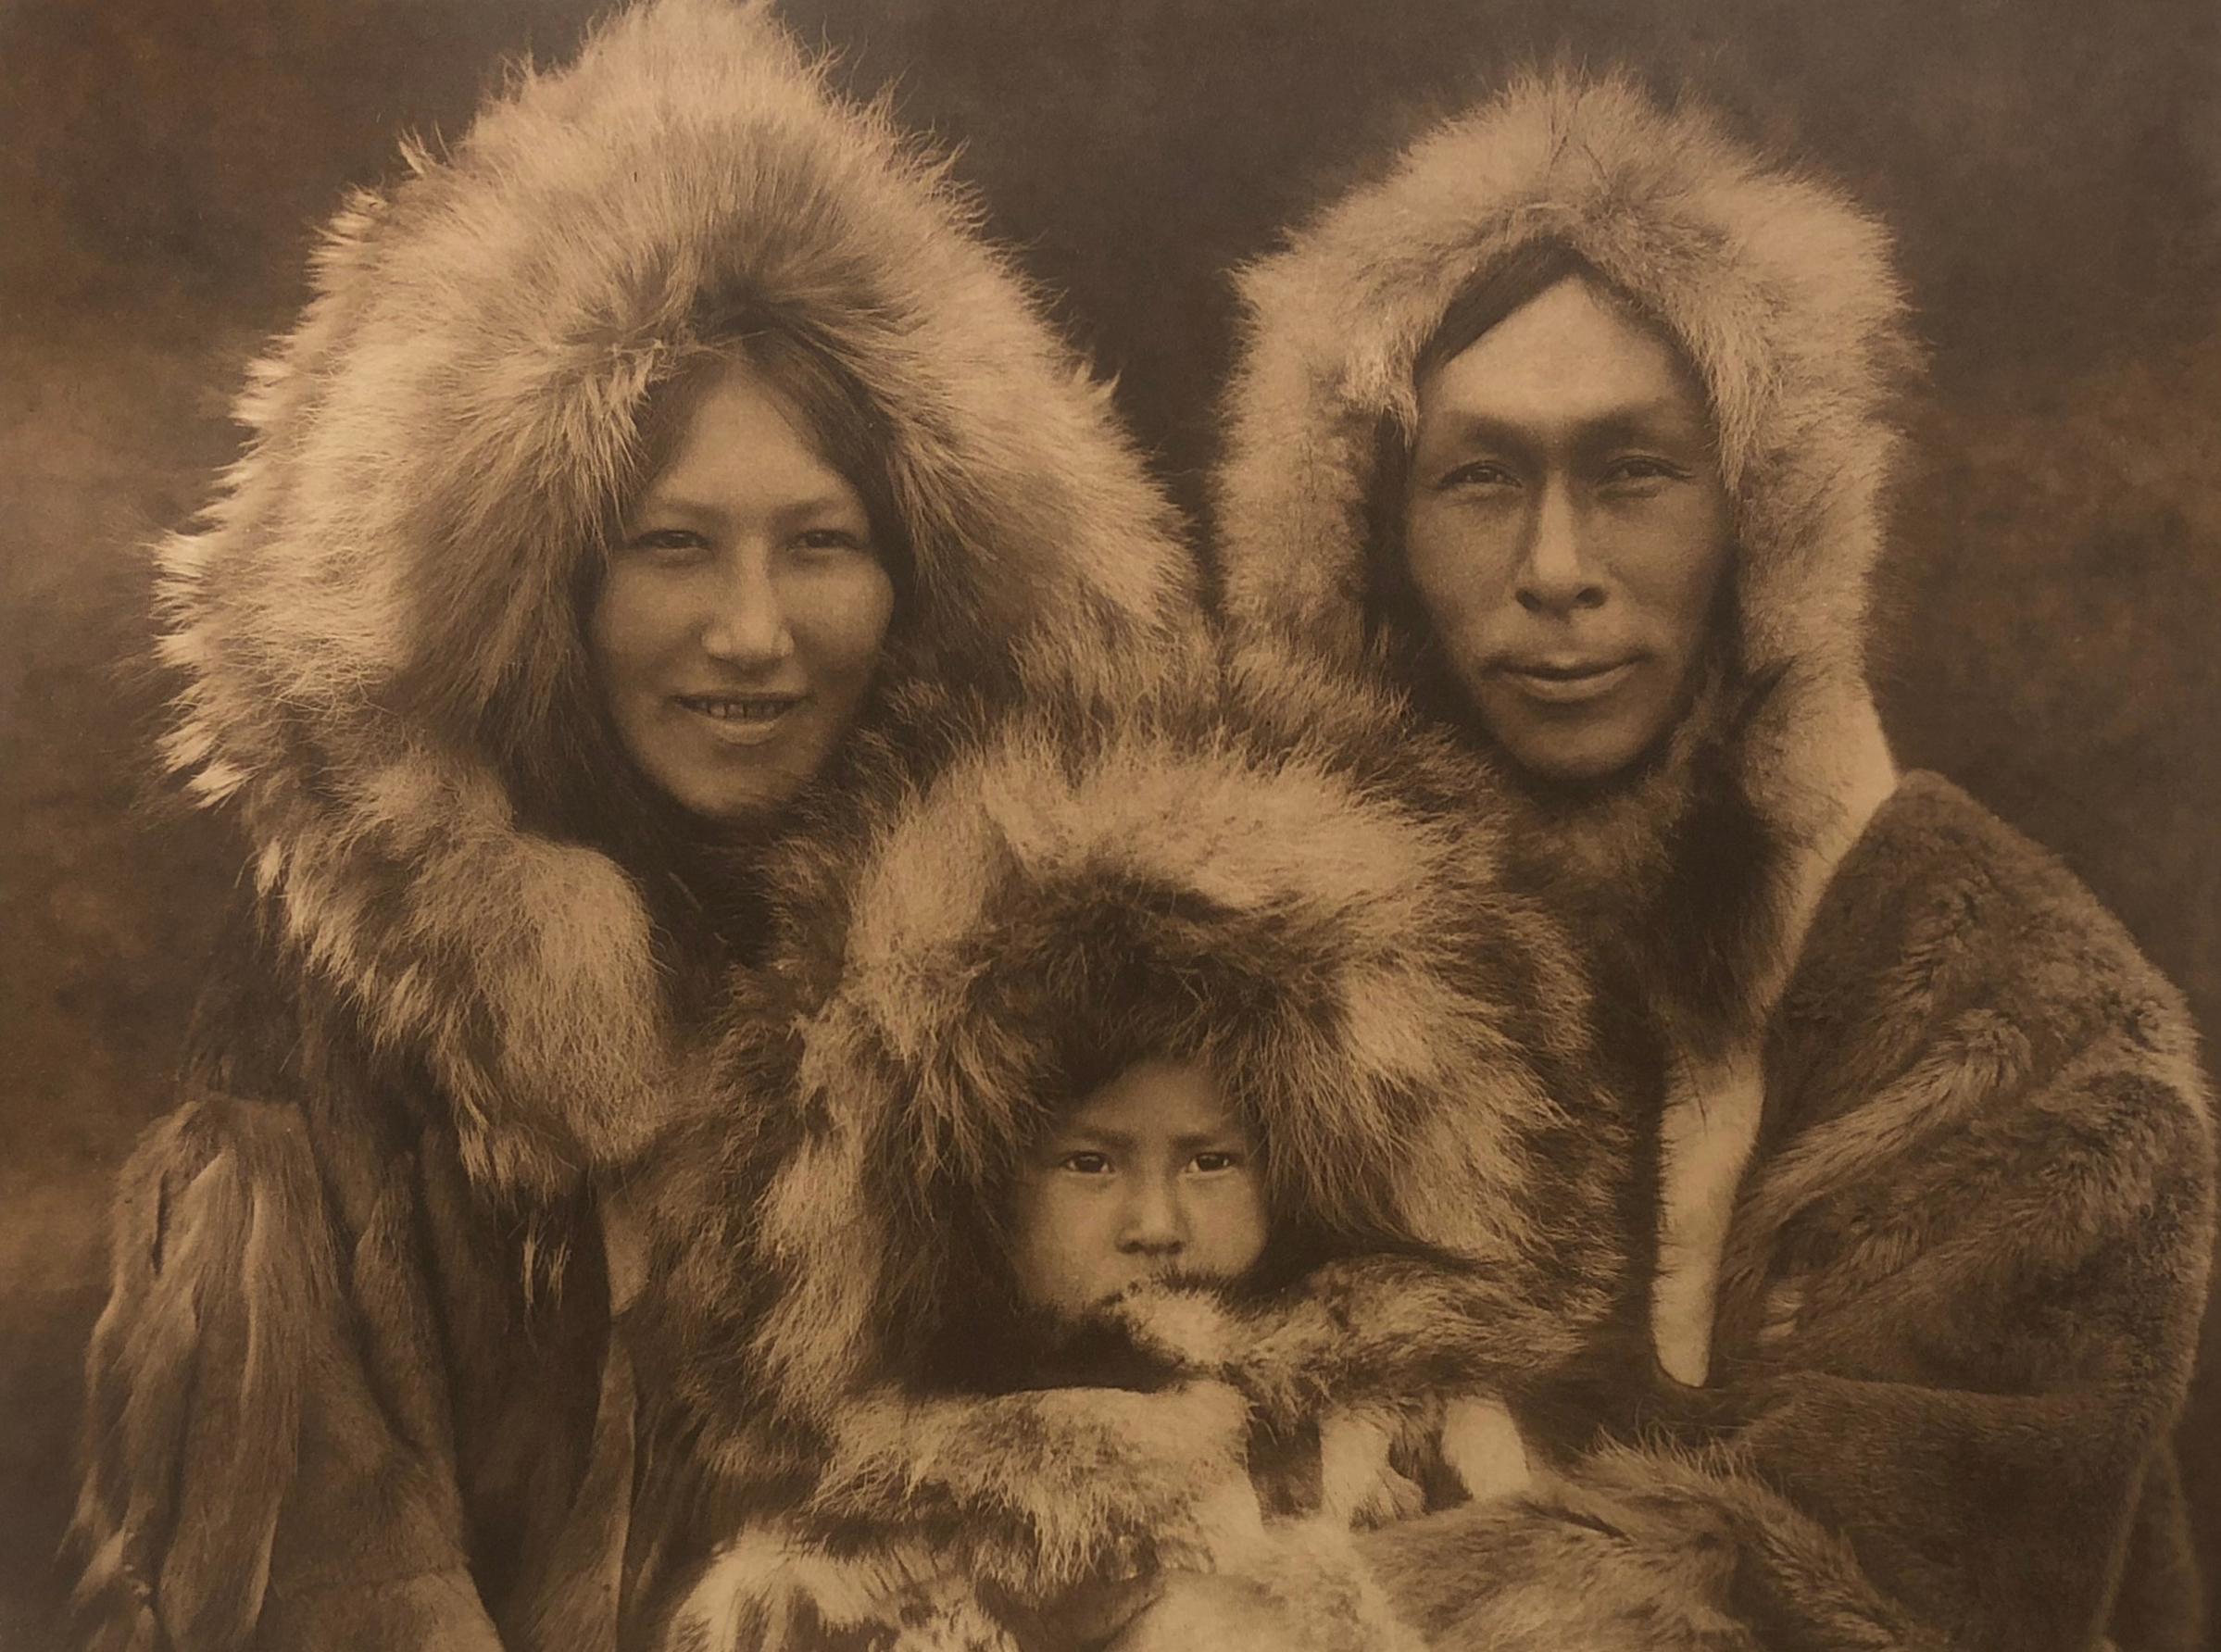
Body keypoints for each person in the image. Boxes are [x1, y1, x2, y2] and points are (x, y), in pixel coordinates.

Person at [69, 2, 1206, 1647]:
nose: (751, 631)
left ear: (919, 584)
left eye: (819, 542)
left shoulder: (1047, 1008)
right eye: (673, 546)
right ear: (550, 591)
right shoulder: (342, 1059)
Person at [1203, 69, 2217, 1652]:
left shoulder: (2008, 992)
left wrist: (1291, 1614)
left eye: (1631, 473)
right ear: (1369, 534)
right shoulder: (1242, 953)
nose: (1555, 573)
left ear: (1756, 521)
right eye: (1478, 478)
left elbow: (1886, 1574)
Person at [625, 682, 1650, 1651]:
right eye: (1088, 1162)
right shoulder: (851, 1535)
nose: (1155, 1222)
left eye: (1211, 1161)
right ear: (969, 1197)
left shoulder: (1411, 1451)